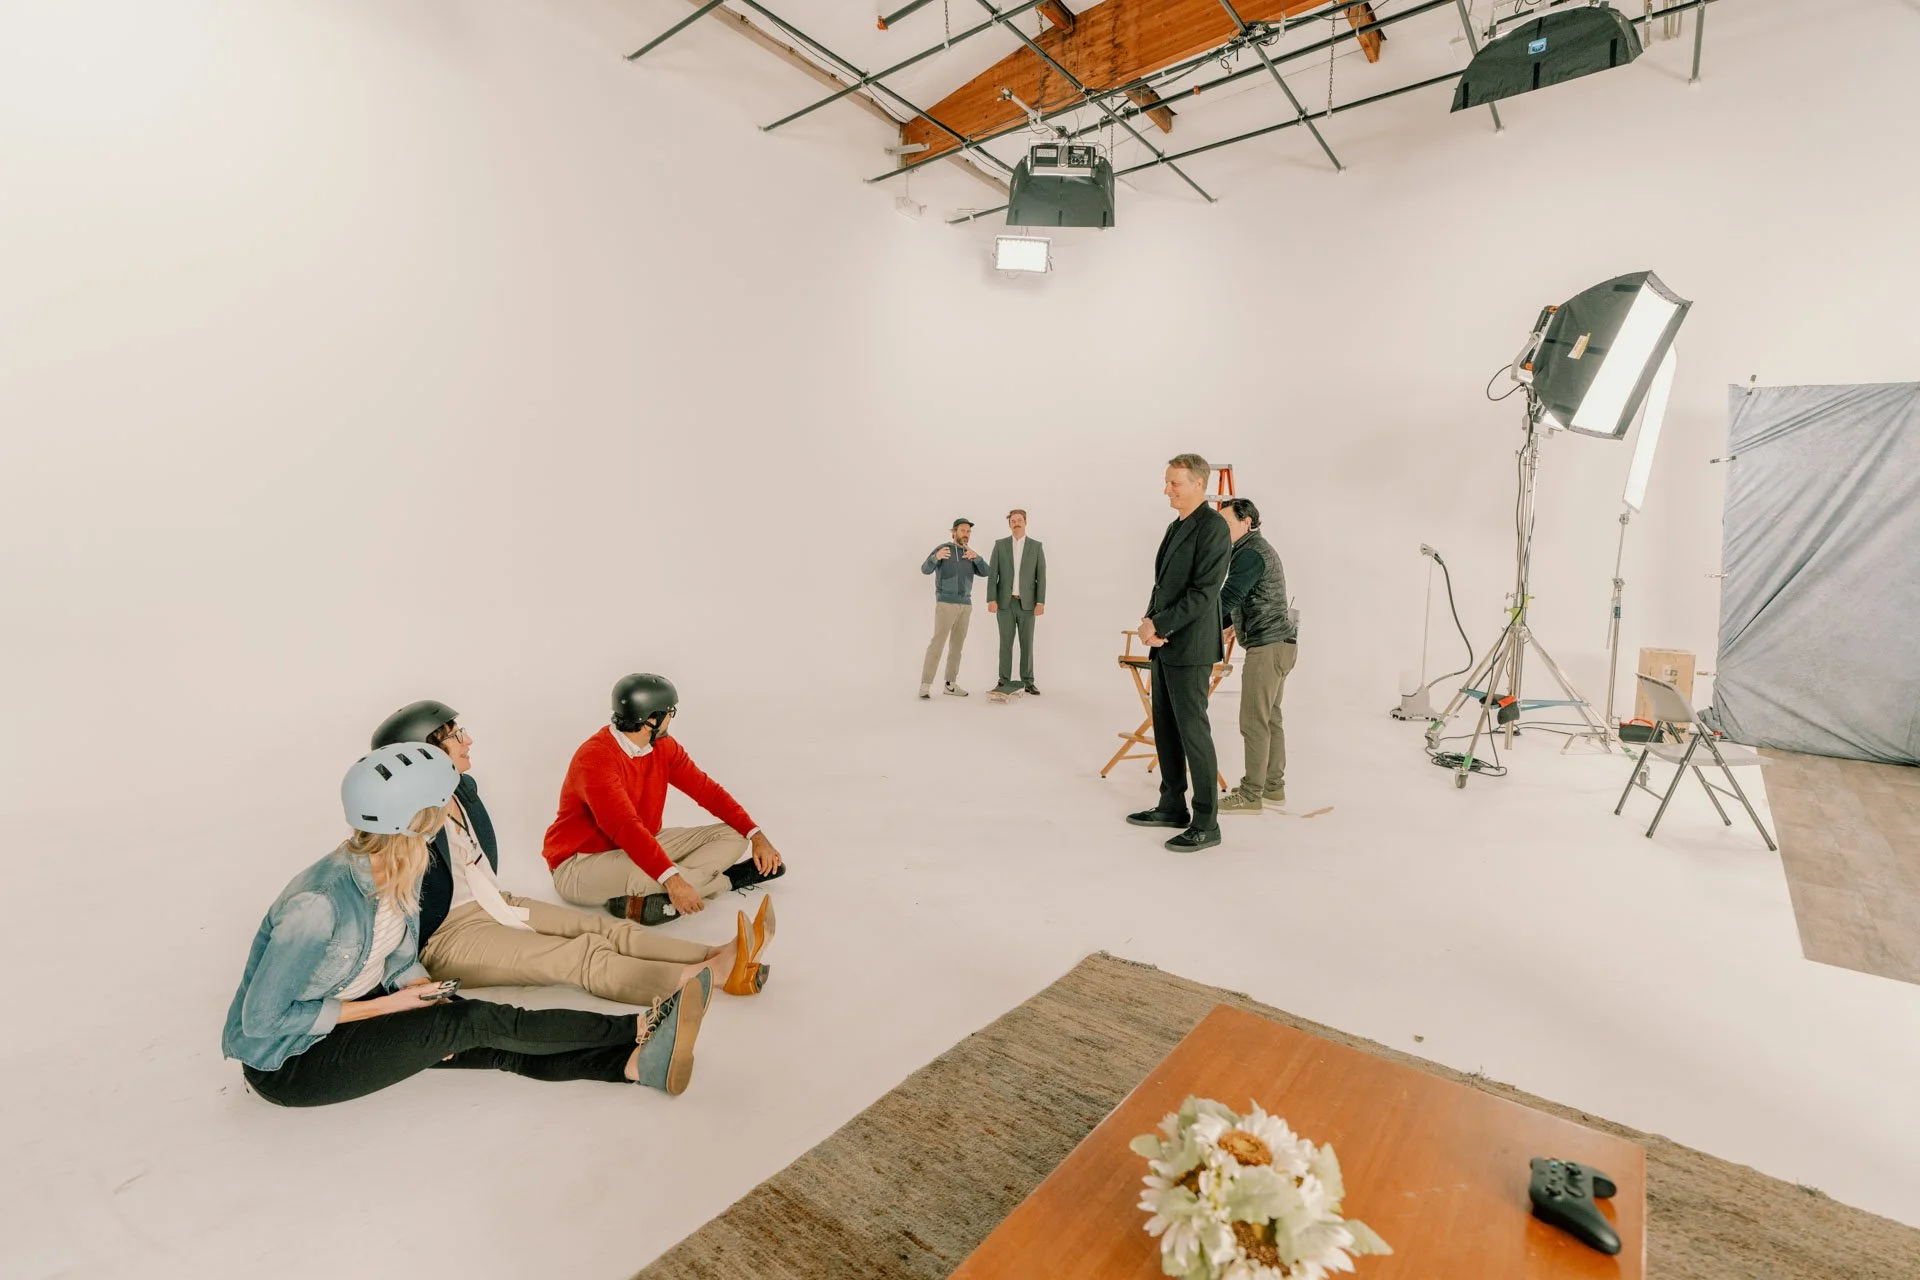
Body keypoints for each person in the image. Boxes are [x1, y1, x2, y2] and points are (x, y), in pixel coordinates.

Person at [222, 742, 713, 1105]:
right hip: (292, 1061)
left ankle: (630, 1067)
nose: (447, 813)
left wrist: (422, 992)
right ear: (416, 819)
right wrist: (394, 1009)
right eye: (440, 805)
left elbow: (395, 958)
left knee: (486, 1037)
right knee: (473, 1023)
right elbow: (261, 1020)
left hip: (363, 1007)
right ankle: (640, 1028)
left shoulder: (398, 869)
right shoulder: (319, 905)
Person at [373, 700, 773, 1001]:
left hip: (493, 901)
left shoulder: (461, 790)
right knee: (579, 955)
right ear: (420, 752)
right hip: (447, 936)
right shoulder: (396, 826)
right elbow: (378, 911)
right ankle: (705, 978)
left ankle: (716, 954)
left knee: (606, 929)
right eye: (454, 735)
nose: (468, 739)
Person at [543, 674, 786, 927]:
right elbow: (625, 826)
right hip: (579, 864)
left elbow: (707, 791)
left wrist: (756, 835)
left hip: (642, 842)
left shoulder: (663, 747)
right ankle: (727, 880)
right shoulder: (595, 757)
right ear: (651, 719)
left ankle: (652, 895)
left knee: (736, 834)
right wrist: (672, 879)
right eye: (670, 711)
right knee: (647, 874)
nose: (672, 717)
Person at [1126, 453, 1233, 851]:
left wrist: (1162, 624)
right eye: (1167, 482)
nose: (1167, 489)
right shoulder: (1177, 526)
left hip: (1190, 646)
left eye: (1175, 483)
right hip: (1166, 644)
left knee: (1193, 733)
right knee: (1166, 728)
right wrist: (1150, 621)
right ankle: (1172, 805)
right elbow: (1164, 586)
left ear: (1199, 485)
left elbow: (1204, 593)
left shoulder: (1213, 527)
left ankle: (1207, 822)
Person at [1213, 501, 1300, 816]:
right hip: (1281, 645)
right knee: (1270, 718)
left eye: (1226, 522)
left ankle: (1251, 795)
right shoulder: (1253, 549)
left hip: (1268, 647)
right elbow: (1249, 597)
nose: (1221, 529)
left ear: (1246, 522)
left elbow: (1229, 596)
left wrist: (1194, 626)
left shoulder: (1250, 552)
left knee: (1253, 721)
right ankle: (1272, 789)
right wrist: (1233, 626)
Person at [919, 518, 988, 699]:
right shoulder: (944, 549)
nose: (966, 534)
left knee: (957, 647)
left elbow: (987, 571)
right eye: (963, 530)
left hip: (965, 606)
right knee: (937, 644)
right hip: (945, 604)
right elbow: (925, 569)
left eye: (968, 531)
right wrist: (936, 557)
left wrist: (977, 558)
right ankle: (925, 684)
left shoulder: (970, 553)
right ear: (954, 532)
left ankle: (950, 684)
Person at [987, 509, 1048, 698]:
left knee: (1027, 644)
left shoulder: (1036, 547)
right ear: (1009, 524)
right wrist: (991, 599)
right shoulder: (1000, 545)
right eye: (1013, 521)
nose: (1016, 523)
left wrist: (1040, 602)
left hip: (1028, 604)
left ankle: (1028, 681)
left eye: (1019, 520)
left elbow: (1041, 577)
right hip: (1005, 603)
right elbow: (992, 574)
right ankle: (1003, 680)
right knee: (1005, 643)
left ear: (1025, 522)